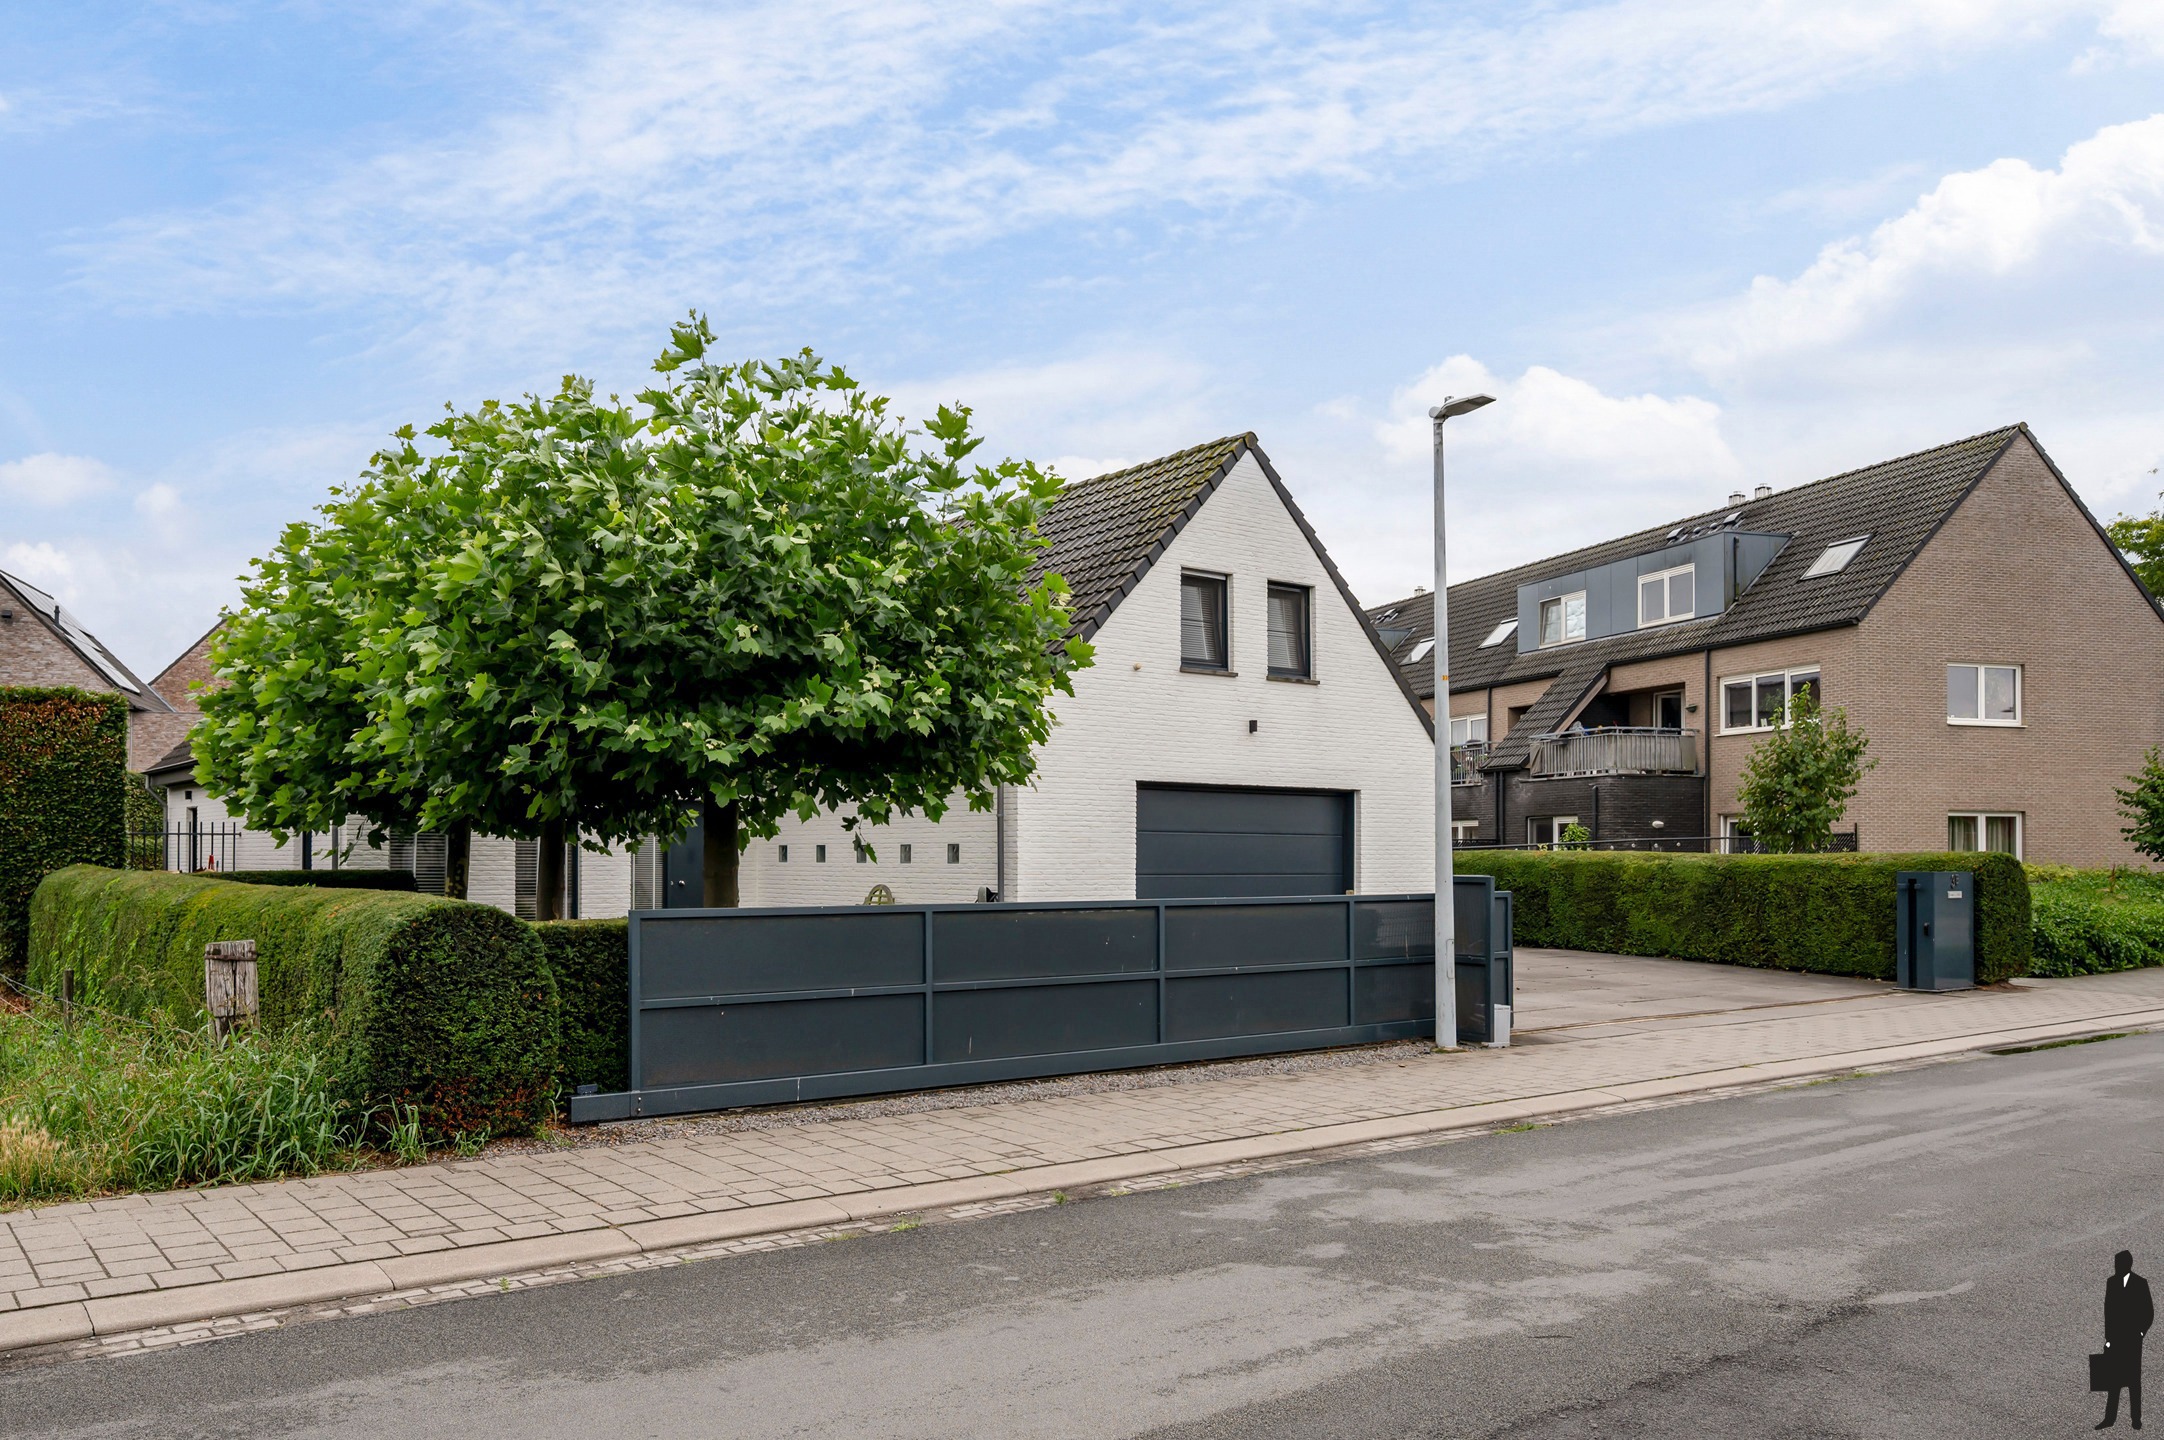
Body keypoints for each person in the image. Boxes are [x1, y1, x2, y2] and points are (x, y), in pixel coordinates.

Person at [2102, 1250, 2154, 1430]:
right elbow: (2108, 1312)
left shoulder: (2140, 1283)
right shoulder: (2111, 1282)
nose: (2116, 1267)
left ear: (2127, 1264)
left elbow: (2149, 1311)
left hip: (2132, 1341)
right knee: (2113, 1380)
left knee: (2134, 1381)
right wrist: (2108, 1338)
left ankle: (2136, 1419)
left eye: (2118, 1264)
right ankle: (2109, 1418)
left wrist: (2141, 1333)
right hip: (2116, 1340)